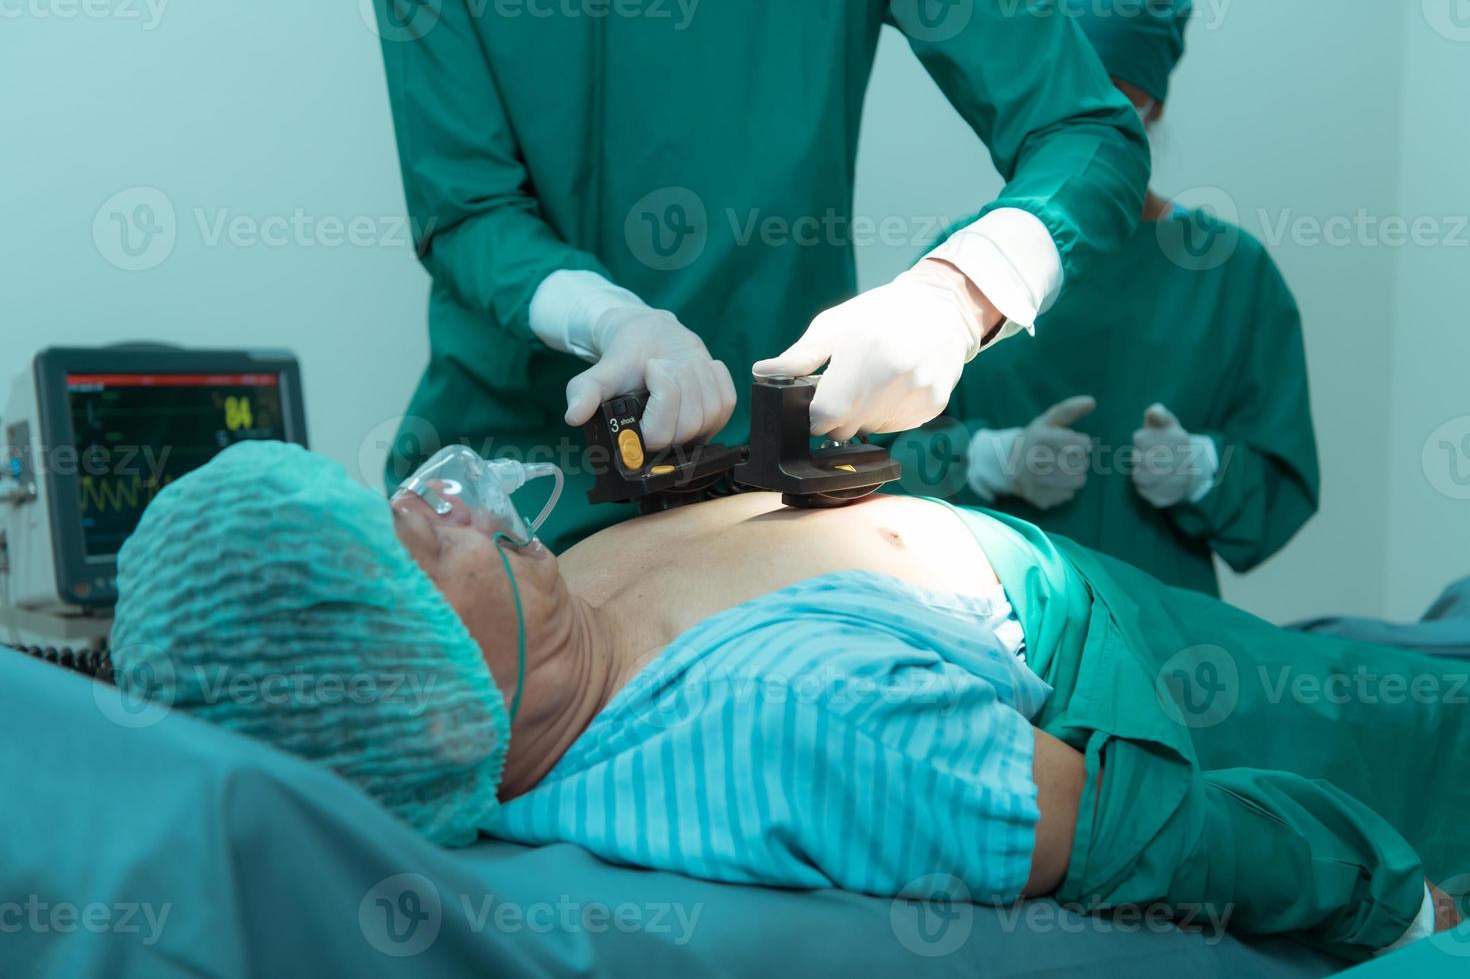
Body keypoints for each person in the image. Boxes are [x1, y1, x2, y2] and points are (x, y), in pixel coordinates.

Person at [112, 442, 1465, 961]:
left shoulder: (550, 625)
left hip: (1104, 597)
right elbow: (1162, 836)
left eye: (389, 495)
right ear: (422, 697)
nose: (440, 500)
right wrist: (1393, 904)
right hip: (1162, 689)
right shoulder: (788, 726)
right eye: (409, 542)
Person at [371, 0, 1152, 550]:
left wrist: (957, 296)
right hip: (523, 487)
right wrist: (609, 319)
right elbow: (469, 209)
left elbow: (1086, 131)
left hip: (782, 503)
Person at [895, 0, 1318, 595]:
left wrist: (1205, 472)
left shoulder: (1230, 273)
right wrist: (984, 458)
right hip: (996, 621)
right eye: (1071, 100)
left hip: (1164, 631)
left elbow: (1281, 489)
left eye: (1111, 100)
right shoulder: (966, 266)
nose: (1090, 129)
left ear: (1153, 107)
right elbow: (876, 455)